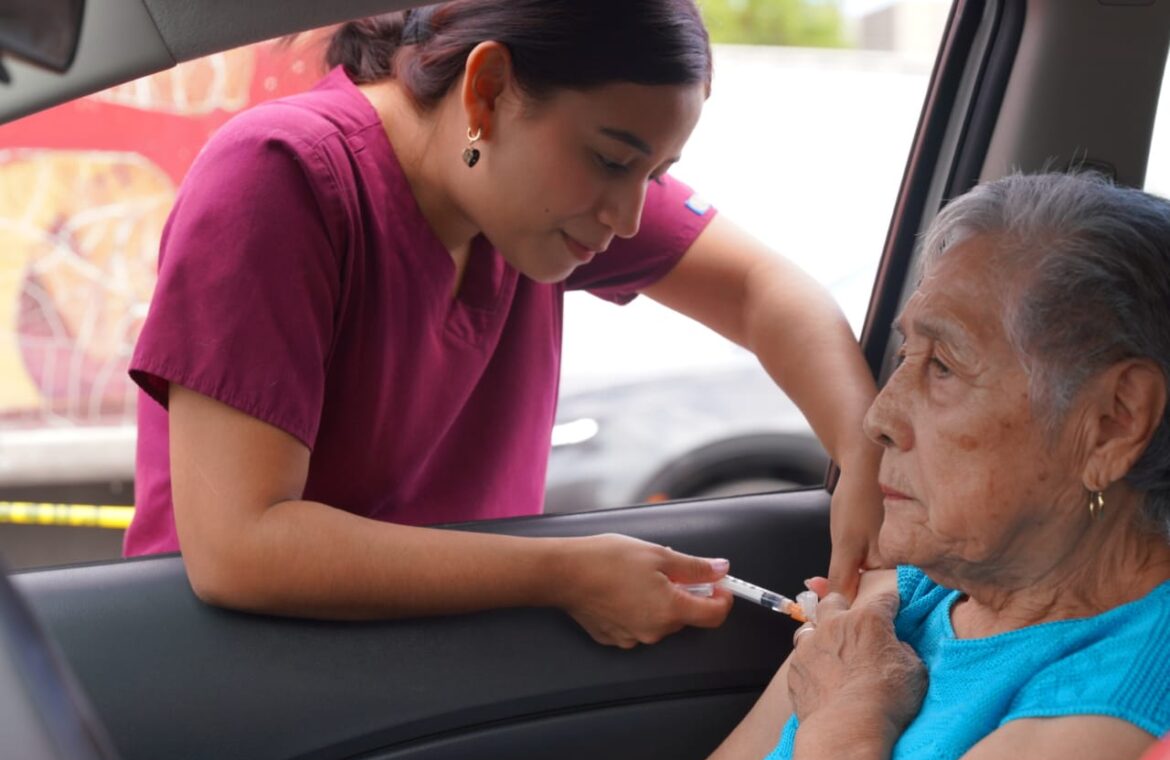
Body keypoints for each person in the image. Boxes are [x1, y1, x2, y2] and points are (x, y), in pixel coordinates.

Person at [124, 0, 884, 648]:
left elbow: (765, 290)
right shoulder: (280, 175)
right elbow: (239, 546)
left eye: (653, 177)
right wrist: (565, 572)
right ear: (486, 93)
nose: (626, 219)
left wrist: (865, 455)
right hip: (245, 678)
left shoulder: (518, 195)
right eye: (614, 161)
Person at [691, 171, 1170, 760]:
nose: (879, 418)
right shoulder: (920, 591)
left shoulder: (1126, 702)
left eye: (942, 366)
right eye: (905, 355)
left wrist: (842, 721)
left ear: (1111, 423)